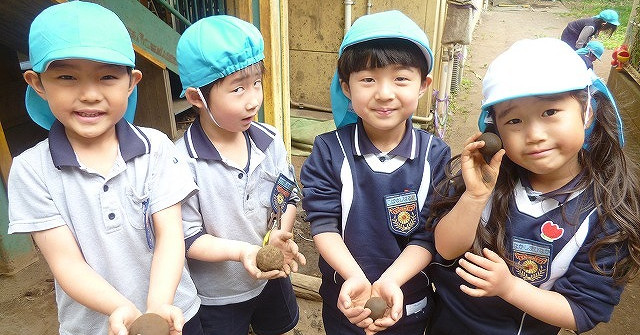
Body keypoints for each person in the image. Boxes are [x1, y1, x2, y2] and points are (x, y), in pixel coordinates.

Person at [7, 2, 204, 334]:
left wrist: (156, 308)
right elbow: (65, 261)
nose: (89, 94)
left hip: (174, 312)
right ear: (37, 83)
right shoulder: (30, 170)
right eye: (67, 77)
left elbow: (171, 234)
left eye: (108, 77)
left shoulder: (155, 148)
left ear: (131, 82)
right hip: (94, 326)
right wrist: (122, 309)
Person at [428, 38, 640, 334]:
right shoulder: (488, 177)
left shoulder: (606, 211)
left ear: (587, 111)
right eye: (514, 120)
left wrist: (510, 287)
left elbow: (583, 311)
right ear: (496, 131)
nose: (534, 134)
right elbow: (446, 249)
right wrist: (475, 196)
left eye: (550, 112)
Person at [300, 10, 451, 335]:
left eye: (400, 78)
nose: (384, 92)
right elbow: (324, 225)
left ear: (423, 85)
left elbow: (428, 235)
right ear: (346, 87)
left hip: (410, 303)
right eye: (368, 79)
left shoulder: (435, 155)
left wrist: (391, 281)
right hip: (346, 301)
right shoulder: (328, 151)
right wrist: (355, 278)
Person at [174, 15, 306, 335]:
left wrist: (279, 234)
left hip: (271, 281)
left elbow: (286, 195)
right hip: (217, 296)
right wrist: (244, 252)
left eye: (256, 83)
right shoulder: (180, 162)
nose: (253, 100)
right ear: (196, 98)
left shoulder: (269, 140)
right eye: (237, 89)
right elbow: (186, 239)